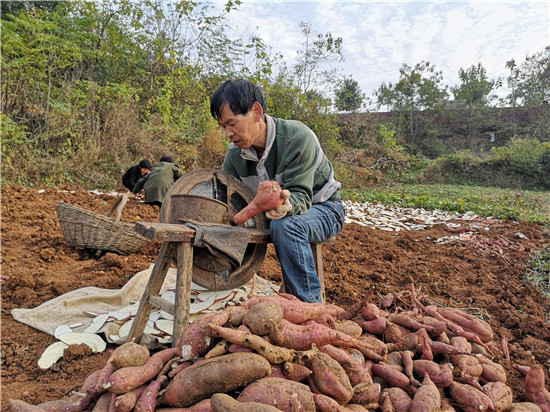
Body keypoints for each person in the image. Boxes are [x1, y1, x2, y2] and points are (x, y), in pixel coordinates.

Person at [210, 79, 346, 303]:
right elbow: (226, 198)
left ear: (255, 111)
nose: (227, 134)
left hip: (325, 209)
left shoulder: (298, 138)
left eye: (232, 124)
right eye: (223, 127)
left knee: (286, 225)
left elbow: (301, 197)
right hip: (273, 218)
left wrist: (286, 206)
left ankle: (310, 309)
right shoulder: (235, 154)